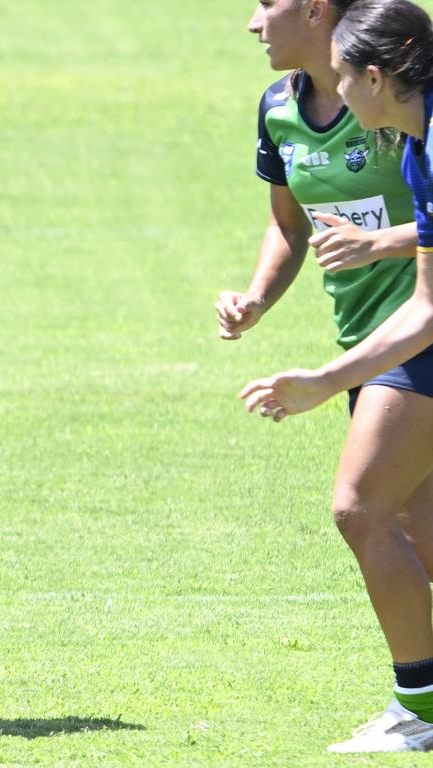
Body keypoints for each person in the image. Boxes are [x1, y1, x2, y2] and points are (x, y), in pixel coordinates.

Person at [240, 0, 433, 752]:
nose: (341, 95)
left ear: (376, 79)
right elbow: (424, 306)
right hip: (398, 343)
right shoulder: (416, 151)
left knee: (359, 508)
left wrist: (324, 380)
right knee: (415, 531)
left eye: (347, 79)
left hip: (411, 357)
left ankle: (418, 708)